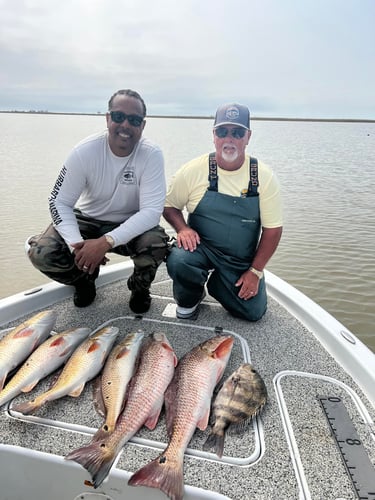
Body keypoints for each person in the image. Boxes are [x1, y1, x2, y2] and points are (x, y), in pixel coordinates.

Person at [27, 89, 169, 314]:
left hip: (129, 223)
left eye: (134, 120)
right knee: (42, 253)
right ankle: (84, 280)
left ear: (142, 125)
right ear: (107, 118)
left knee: (157, 243)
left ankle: (139, 288)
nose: (125, 125)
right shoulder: (84, 152)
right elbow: (58, 201)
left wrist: (105, 242)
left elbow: (152, 211)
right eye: (118, 116)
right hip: (88, 220)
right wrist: (78, 247)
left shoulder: (151, 154)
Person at [163, 103, 283, 320]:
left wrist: (255, 272)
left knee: (253, 313)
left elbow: (273, 230)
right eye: (222, 131)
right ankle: (192, 296)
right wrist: (182, 228)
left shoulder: (264, 176)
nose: (229, 139)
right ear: (214, 135)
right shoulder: (193, 170)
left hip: (239, 259)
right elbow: (169, 205)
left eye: (237, 132)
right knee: (179, 260)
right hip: (200, 249)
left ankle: (219, 284)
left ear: (248, 137)